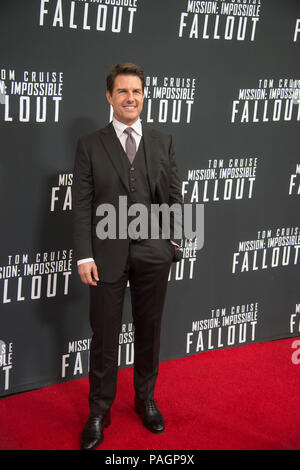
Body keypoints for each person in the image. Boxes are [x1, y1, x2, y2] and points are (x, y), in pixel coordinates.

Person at [72, 63, 183, 450]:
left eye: (136, 91)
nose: (130, 98)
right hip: (105, 257)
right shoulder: (90, 144)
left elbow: (173, 196)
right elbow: (82, 205)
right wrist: (84, 256)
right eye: (122, 92)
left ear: (143, 95)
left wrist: (174, 245)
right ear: (109, 97)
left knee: (149, 331)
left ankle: (144, 398)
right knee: (104, 335)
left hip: (154, 253)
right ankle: (99, 411)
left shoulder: (162, 141)